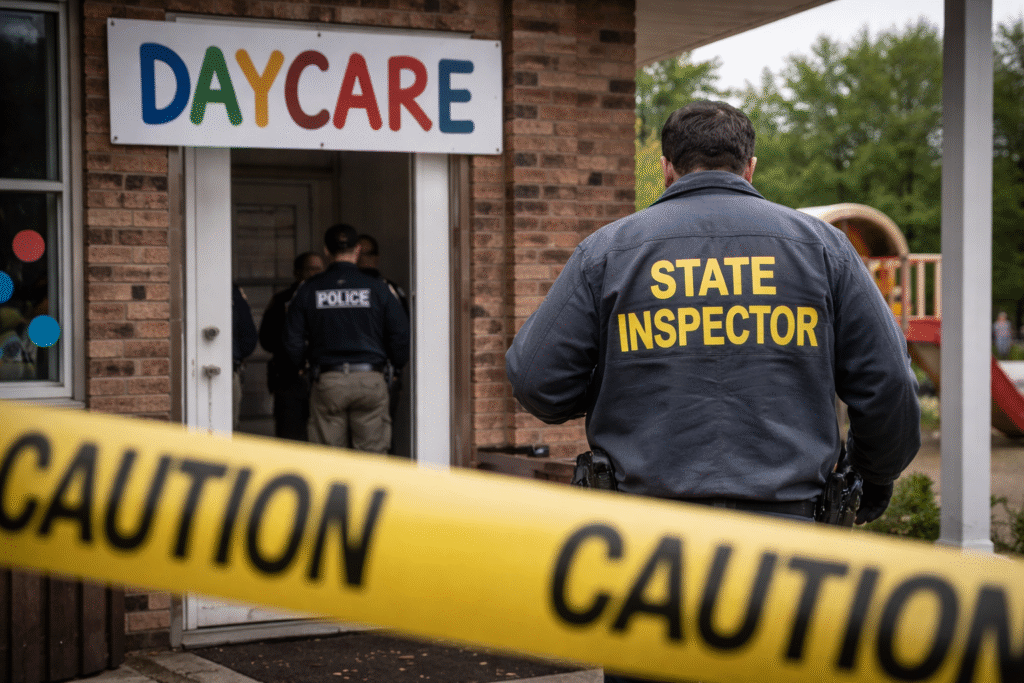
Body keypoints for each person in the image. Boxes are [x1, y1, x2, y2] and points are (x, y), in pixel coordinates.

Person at [506, 101, 921, 672]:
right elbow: (891, 385)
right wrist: (870, 480)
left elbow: (535, 382)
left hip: (647, 549)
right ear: (750, 167)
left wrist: (621, 377)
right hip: (789, 545)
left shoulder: (609, 251)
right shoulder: (823, 249)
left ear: (667, 168)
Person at [284, 224, 410, 452]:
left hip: (328, 381)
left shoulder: (309, 289)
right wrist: (396, 367)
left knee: (330, 460)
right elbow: (400, 334)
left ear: (326, 251)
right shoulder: (378, 288)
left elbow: (292, 338)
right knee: (371, 457)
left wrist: (302, 367)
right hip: (370, 379)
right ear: (358, 250)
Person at [258, 251, 326, 441]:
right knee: (291, 438)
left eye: (320, 269)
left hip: (324, 378)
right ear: (297, 273)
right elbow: (267, 340)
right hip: (289, 379)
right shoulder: (282, 300)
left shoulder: (329, 297)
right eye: (311, 269)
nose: (316, 273)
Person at [357, 233, 408, 454]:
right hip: (355, 372)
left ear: (377, 257)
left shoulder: (389, 290)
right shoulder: (347, 288)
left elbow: (401, 333)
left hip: (382, 375)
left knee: (381, 440)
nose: (362, 259)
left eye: (367, 253)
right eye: (358, 253)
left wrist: (396, 368)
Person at [232, 283, 258, 430]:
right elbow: (248, 336)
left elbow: (248, 336)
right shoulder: (234, 294)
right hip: (230, 368)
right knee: (229, 427)